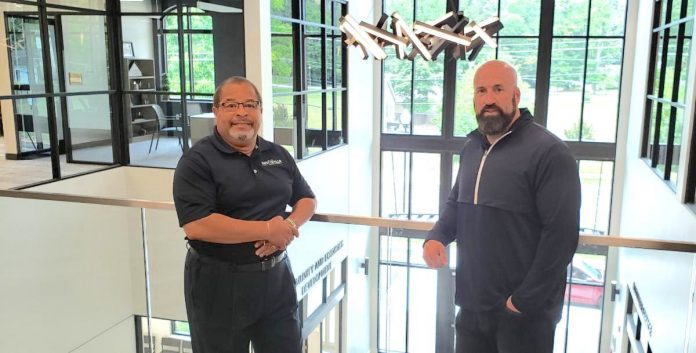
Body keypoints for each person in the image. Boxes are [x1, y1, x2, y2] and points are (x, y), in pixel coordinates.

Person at [422, 60, 581, 353]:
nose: (489, 99)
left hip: (523, 315)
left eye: (498, 89)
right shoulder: (472, 147)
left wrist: (522, 302)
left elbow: (561, 237)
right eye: (481, 91)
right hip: (472, 306)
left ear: (516, 96)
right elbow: (457, 203)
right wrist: (436, 236)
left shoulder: (550, 153)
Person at [173, 76, 316, 353]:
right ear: (216, 111)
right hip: (219, 284)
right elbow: (197, 225)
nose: (242, 112)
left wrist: (287, 226)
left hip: (277, 279)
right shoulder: (197, 161)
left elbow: (307, 199)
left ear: (260, 111)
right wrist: (266, 230)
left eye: (250, 104)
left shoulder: (277, 154)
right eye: (231, 105)